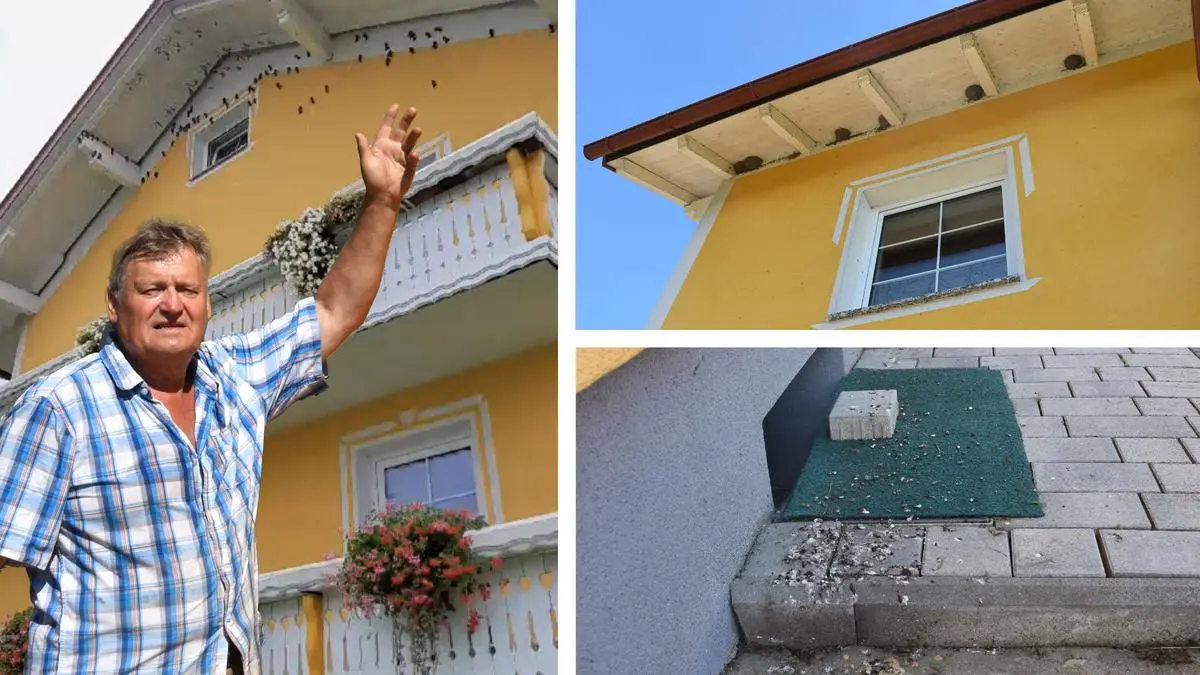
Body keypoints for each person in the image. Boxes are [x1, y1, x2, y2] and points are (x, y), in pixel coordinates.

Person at [0, 104, 425, 674]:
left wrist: (382, 203)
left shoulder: (235, 377)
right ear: (113, 306)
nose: (172, 305)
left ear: (206, 303)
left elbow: (332, 310)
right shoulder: (60, 409)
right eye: (152, 289)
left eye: (187, 290)